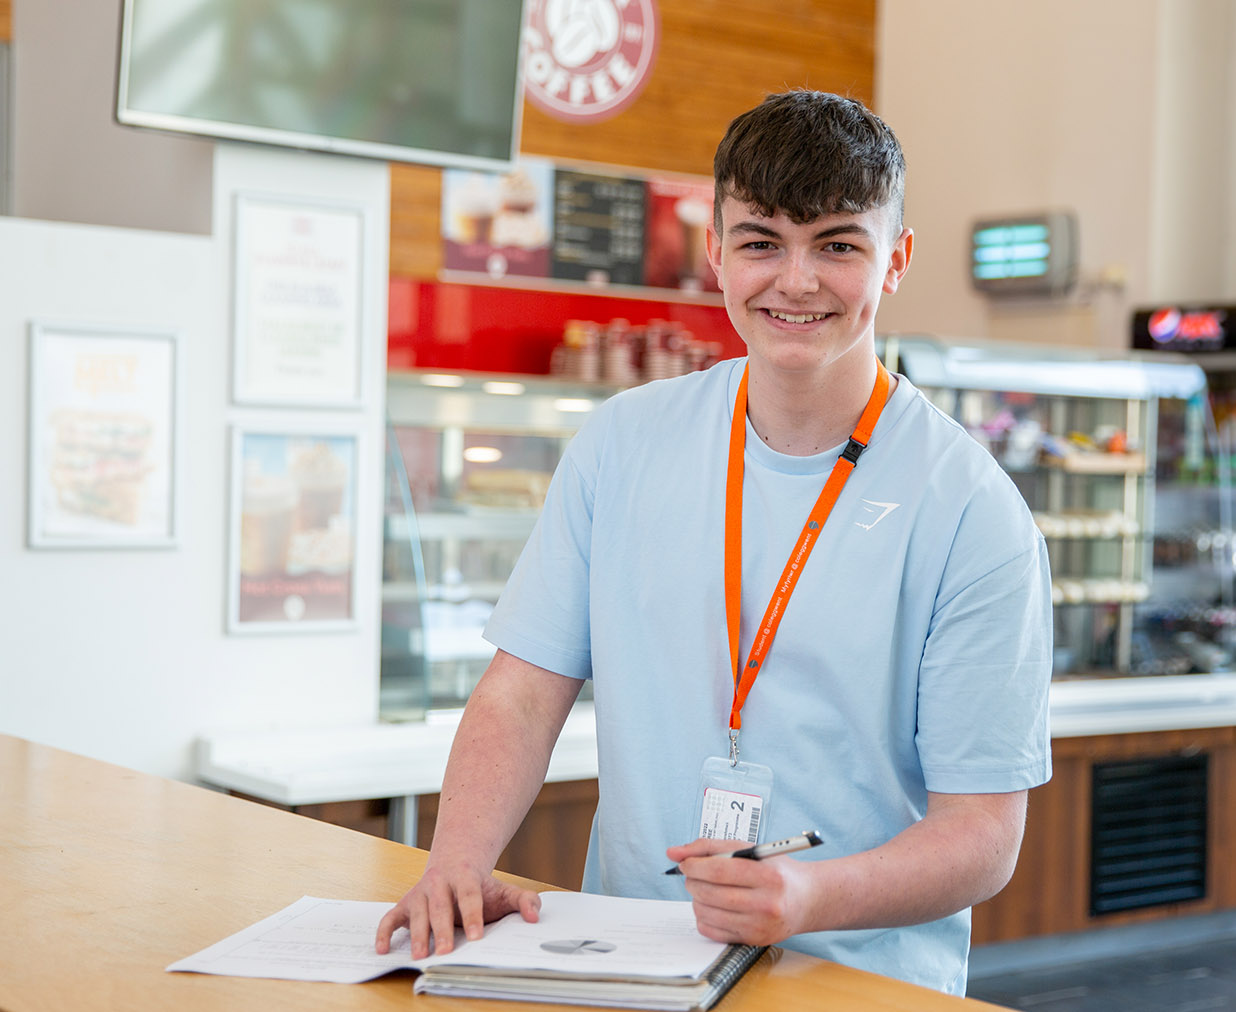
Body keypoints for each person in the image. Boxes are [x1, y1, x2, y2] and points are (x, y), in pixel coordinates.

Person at [376, 89, 1052, 996]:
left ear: (895, 260)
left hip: (855, 983)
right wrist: (456, 860)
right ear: (715, 252)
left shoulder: (971, 510)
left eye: (838, 245)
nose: (796, 281)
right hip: (624, 968)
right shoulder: (624, 443)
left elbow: (982, 835)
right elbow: (522, 695)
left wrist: (806, 896)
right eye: (762, 241)